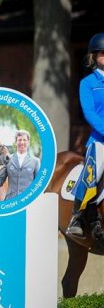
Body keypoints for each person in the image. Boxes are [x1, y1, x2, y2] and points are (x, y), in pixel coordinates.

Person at [67, 32, 104, 238]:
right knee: (94, 173)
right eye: (103, 54)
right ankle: (77, 217)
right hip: (100, 141)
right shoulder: (88, 83)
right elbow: (89, 113)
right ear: (94, 56)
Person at [0, 130, 40, 200]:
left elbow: (38, 185)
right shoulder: (8, 159)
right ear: (15, 142)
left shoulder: (35, 161)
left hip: (28, 201)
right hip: (10, 202)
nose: (22, 142)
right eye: (19, 140)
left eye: (24, 140)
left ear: (28, 142)